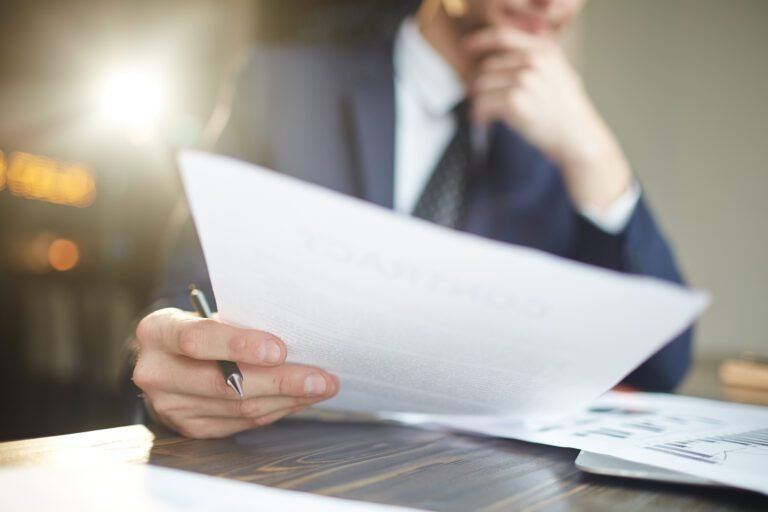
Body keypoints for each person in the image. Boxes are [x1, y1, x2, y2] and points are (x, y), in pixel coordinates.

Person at [132, 0, 692, 439]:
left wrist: (597, 159)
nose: (551, 1)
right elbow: (184, 303)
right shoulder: (279, 88)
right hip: (283, 464)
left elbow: (664, 369)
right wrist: (179, 365)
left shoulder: (563, 153)